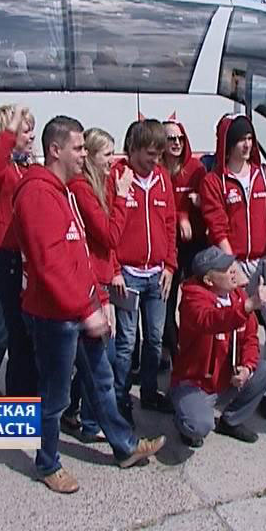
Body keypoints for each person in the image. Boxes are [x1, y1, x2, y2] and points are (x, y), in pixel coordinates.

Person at [13, 116, 166, 493]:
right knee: (55, 394)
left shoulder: (61, 189)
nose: (84, 155)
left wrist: (96, 300)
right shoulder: (38, 193)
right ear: (56, 150)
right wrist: (86, 311)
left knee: (101, 380)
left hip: (78, 309)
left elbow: (79, 254)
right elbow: (50, 266)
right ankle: (48, 463)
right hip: (55, 317)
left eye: (84, 148)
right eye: (78, 148)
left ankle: (124, 447)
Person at [200, 114, 266, 420]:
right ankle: (230, 382)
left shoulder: (265, 176)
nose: (247, 144)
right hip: (234, 263)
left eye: (250, 138)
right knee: (238, 325)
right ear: (228, 143)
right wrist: (231, 265)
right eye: (241, 139)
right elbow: (217, 226)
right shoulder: (215, 181)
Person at [64, 128, 133, 440]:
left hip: (104, 280)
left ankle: (73, 411)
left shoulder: (100, 184)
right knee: (104, 359)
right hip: (91, 286)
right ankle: (90, 423)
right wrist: (124, 197)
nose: (113, 160)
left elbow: (108, 248)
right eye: (107, 154)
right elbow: (110, 235)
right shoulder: (81, 188)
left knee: (98, 358)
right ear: (90, 156)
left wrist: (115, 269)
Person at [171, 247, 266, 447]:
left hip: (226, 380)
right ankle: (183, 419)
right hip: (195, 384)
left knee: (265, 371)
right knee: (199, 425)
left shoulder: (239, 296)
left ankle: (230, 421)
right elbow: (211, 320)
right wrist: (248, 306)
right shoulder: (193, 300)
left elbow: (250, 339)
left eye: (231, 265)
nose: (233, 271)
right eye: (225, 269)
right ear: (209, 280)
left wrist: (247, 367)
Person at [111, 119, 177, 425]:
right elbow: (108, 228)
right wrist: (114, 269)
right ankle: (121, 398)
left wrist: (171, 266)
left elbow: (170, 225)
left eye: (159, 154)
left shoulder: (163, 177)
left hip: (157, 274)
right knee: (126, 342)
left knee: (154, 339)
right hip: (128, 273)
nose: (155, 160)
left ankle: (149, 392)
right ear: (134, 149)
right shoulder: (118, 176)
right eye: (150, 153)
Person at [0, 105, 38, 397]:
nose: (31, 135)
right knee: (16, 334)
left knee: (13, 328)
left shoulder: (24, 165)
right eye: (25, 130)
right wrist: (11, 128)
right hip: (8, 259)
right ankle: (17, 398)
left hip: (27, 258)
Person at [161, 119, 208, 367]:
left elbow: (212, 204)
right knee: (165, 304)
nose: (177, 143)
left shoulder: (196, 168)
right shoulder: (157, 169)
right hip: (166, 245)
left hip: (194, 244)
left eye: (180, 138)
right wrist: (181, 215)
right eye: (171, 139)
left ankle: (192, 352)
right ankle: (171, 350)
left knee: (192, 300)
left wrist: (199, 204)